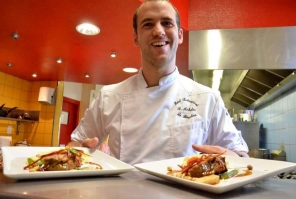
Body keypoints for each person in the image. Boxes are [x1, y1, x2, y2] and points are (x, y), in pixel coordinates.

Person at [68, 0, 249, 165]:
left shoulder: (208, 98)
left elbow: (241, 156)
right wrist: (82, 153)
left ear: (180, 35)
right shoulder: (109, 96)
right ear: (135, 37)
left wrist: (232, 158)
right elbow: (75, 144)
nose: (158, 31)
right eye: (148, 24)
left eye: (167, 23)